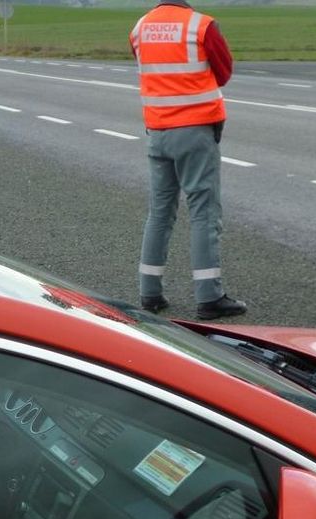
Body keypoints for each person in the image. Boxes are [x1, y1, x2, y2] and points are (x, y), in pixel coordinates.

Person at [130, 0, 246, 321]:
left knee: (160, 212)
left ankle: (149, 291)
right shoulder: (202, 25)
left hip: (157, 129)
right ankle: (208, 296)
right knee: (203, 211)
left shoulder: (140, 28)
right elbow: (223, 73)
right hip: (195, 130)